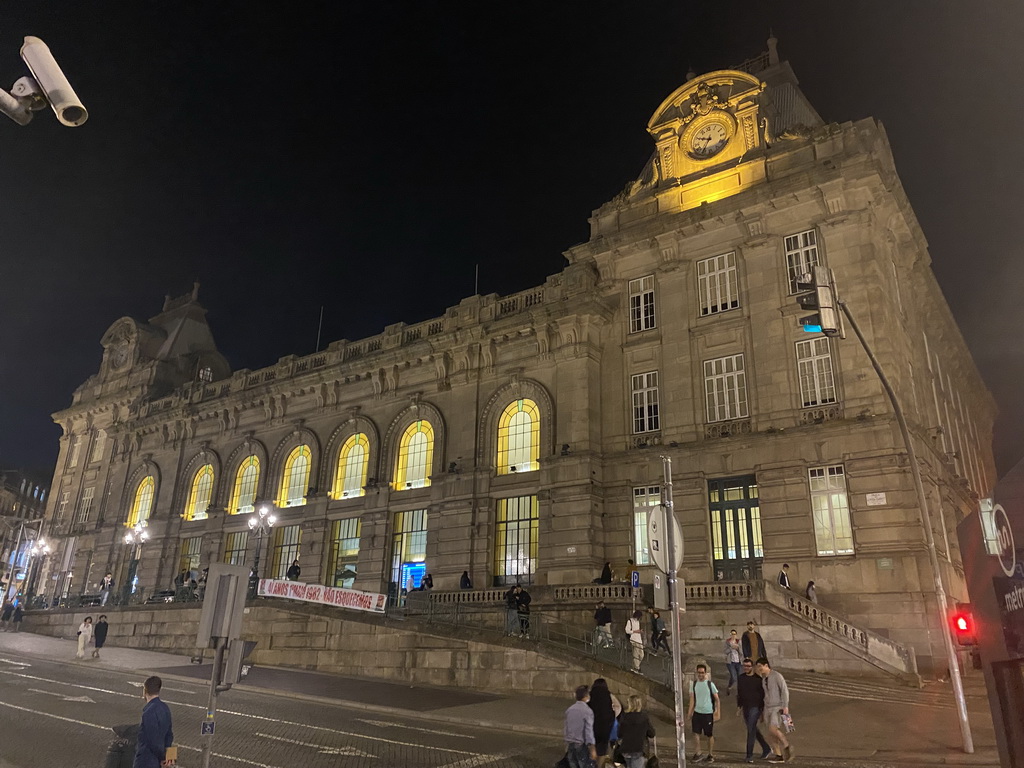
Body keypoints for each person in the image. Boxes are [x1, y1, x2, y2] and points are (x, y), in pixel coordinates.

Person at [755, 657, 793, 763]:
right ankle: (778, 755)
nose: (759, 669)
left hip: (777, 707)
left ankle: (786, 745)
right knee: (770, 734)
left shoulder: (777, 676)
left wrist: (785, 706)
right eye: (757, 667)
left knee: (773, 729)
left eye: (760, 666)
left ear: (766, 665)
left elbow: (784, 691)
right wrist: (763, 711)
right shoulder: (763, 679)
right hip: (767, 708)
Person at [735, 657, 772, 763]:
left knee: (751, 730)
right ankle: (766, 748)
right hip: (746, 707)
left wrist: (762, 711)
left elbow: (762, 696)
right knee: (753, 729)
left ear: (752, 667)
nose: (746, 668)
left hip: (755, 707)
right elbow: (740, 693)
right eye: (744, 666)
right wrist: (739, 707)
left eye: (748, 666)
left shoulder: (758, 680)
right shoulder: (741, 678)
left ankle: (749, 755)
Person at [134, 675, 175, 768]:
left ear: (145, 690)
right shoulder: (165, 708)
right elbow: (169, 735)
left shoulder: (148, 712)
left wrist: (162, 758)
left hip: (146, 761)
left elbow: (153, 741)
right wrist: (168, 757)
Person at [687, 662, 720, 763]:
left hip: (708, 713)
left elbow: (717, 699)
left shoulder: (710, 684)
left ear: (705, 673)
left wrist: (718, 712)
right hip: (697, 712)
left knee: (709, 734)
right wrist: (689, 713)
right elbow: (692, 699)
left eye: (702, 673)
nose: (700, 674)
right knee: (695, 733)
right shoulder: (694, 684)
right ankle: (698, 753)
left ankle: (710, 754)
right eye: (699, 673)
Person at [563, 684, 597, 768]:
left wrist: (566, 740)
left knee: (573, 764)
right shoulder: (587, 711)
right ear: (586, 696)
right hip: (581, 743)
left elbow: (566, 726)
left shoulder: (570, 709)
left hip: (571, 742)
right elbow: (588, 730)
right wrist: (592, 746)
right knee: (584, 764)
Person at [618, 694, 655, 768]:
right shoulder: (644, 717)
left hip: (626, 749)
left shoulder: (624, 717)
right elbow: (652, 733)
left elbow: (619, 734)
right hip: (639, 748)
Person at [588, 678, 616, 767]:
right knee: (602, 751)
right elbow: (613, 710)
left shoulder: (590, 695)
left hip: (592, 727)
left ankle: (592, 764)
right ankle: (598, 766)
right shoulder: (608, 695)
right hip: (605, 727)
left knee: (592, 748)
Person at [724, 629, 742, 695]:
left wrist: (738, 648)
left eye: (734, 634)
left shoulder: (739, 641)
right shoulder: (727, 642)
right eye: (732, 634)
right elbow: (725, 651)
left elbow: (742, 652)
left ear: (736, 635)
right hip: (730, 662)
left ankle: (740, 691)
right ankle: (729, 687)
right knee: (734, 677)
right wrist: (731, 648)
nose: (733, 635)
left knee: (739, 677)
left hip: (738, 661)